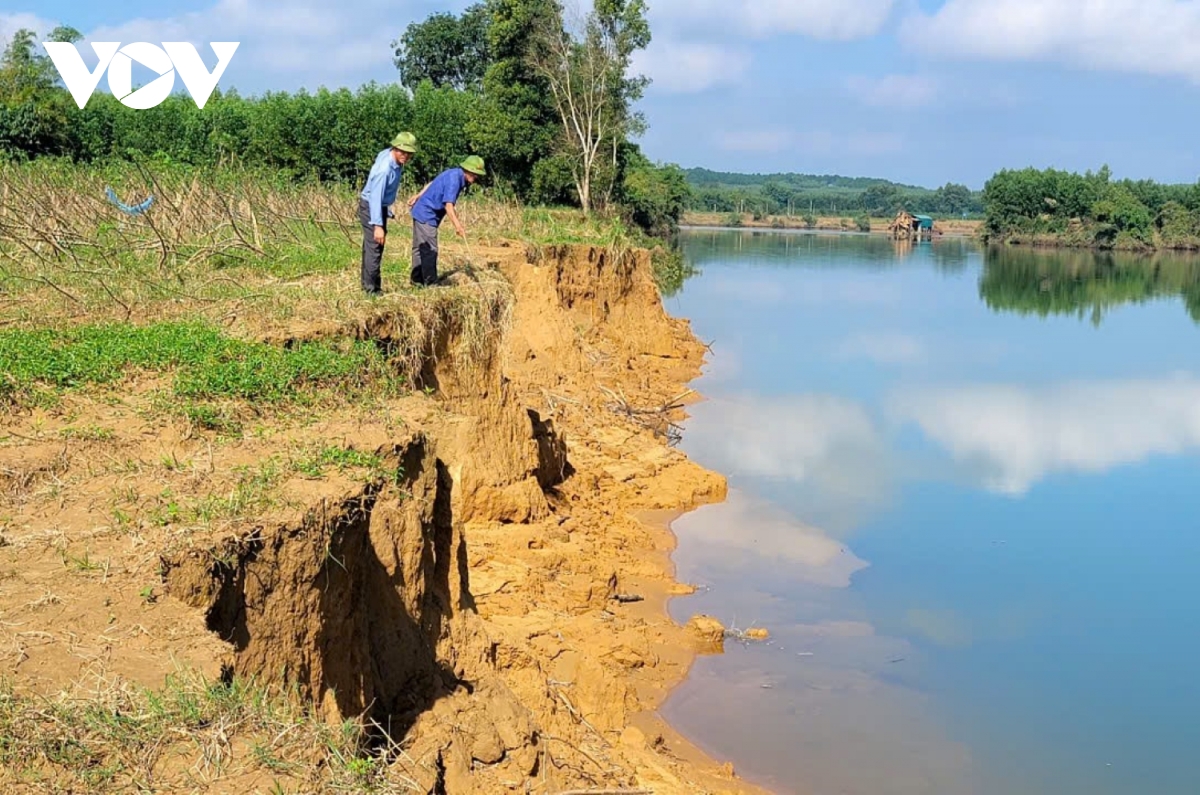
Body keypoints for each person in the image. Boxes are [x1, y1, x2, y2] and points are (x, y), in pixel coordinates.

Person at [406, 156, 486, 287]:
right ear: (468, 170)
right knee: (430, 250)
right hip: (427, 214)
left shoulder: (453, 173)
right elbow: (448, 206)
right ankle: (430, 283)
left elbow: (433, 183)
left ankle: (417, 281)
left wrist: (418, 195)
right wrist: (458, 226)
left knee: (420, 247)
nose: (476, 178)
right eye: (475, 174)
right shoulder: (455, 180)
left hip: (420, 210)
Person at [358, 132, 418, 294]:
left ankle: (368, 286)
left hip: (379, 206)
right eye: (402, 152)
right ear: (395, 148)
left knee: (372, 247)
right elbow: (375, 196)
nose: (405, 156)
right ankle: (372, 291)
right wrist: (377, 224)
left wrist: (386, 210)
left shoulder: (391, 157)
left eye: (409, 153)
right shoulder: (385, 169)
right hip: (371, 207)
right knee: (375, 246)